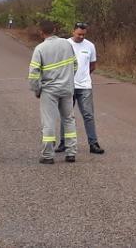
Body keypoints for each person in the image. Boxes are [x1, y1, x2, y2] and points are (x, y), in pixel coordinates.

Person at [28, 20, 78, 164]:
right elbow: (75, 64)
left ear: (41, 32)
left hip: (49, 90)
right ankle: (71, 153)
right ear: (55, 29)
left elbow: (33, 74)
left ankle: (48, 155)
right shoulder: (67, 44)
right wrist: (68, 79)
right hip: (67, 88)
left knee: (49, 122)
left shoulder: (40, 49)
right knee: (69, 119)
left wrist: (37, 89)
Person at [56, 22, 105, 154]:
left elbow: (92, 65)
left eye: (83, 35)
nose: (81, 37)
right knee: (66, 115)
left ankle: (93, 143)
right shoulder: (64, 44)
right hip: (68, 86)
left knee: (88, 115)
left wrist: (84, 76)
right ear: (73, 32)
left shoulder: (90, 46)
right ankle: (63, 142)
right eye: (79, 34)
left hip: (84, 86)